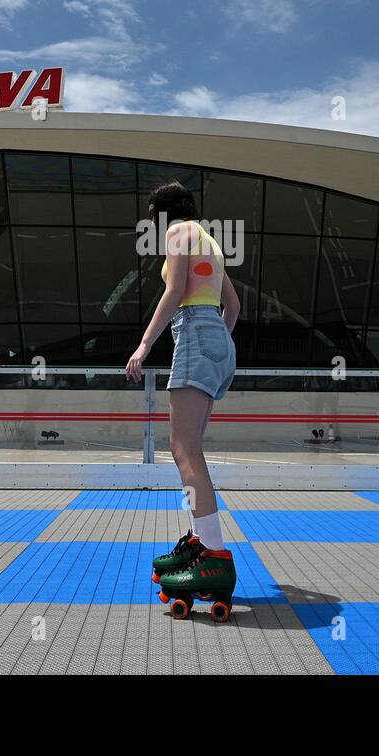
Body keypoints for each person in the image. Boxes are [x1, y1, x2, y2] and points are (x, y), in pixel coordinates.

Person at [126, 182, 241, 621]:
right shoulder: (209, 240)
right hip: (215, 334)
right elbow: (233, 304)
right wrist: (217, 345)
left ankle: (214, 553)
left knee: (182, 448)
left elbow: (174, 291)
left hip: (192, 329)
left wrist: (143, 345)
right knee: (192, 448)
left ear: (162, 215)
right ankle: (200, 541)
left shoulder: (177, 234)